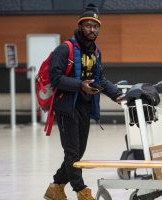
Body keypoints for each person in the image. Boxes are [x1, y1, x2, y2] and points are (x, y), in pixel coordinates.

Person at [44, 3, 123, 200]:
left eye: (96, 26)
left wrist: (117, 95)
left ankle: (56, 187)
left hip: (85, 106)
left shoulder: (96, 51)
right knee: (72, 152)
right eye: (88, 26)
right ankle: (82, 191)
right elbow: (56, 78)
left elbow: (100, 78)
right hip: (67, 107)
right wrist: (80, 85)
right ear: (80, 26)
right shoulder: (65, 49)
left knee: (78, 151)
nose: (92, 30)